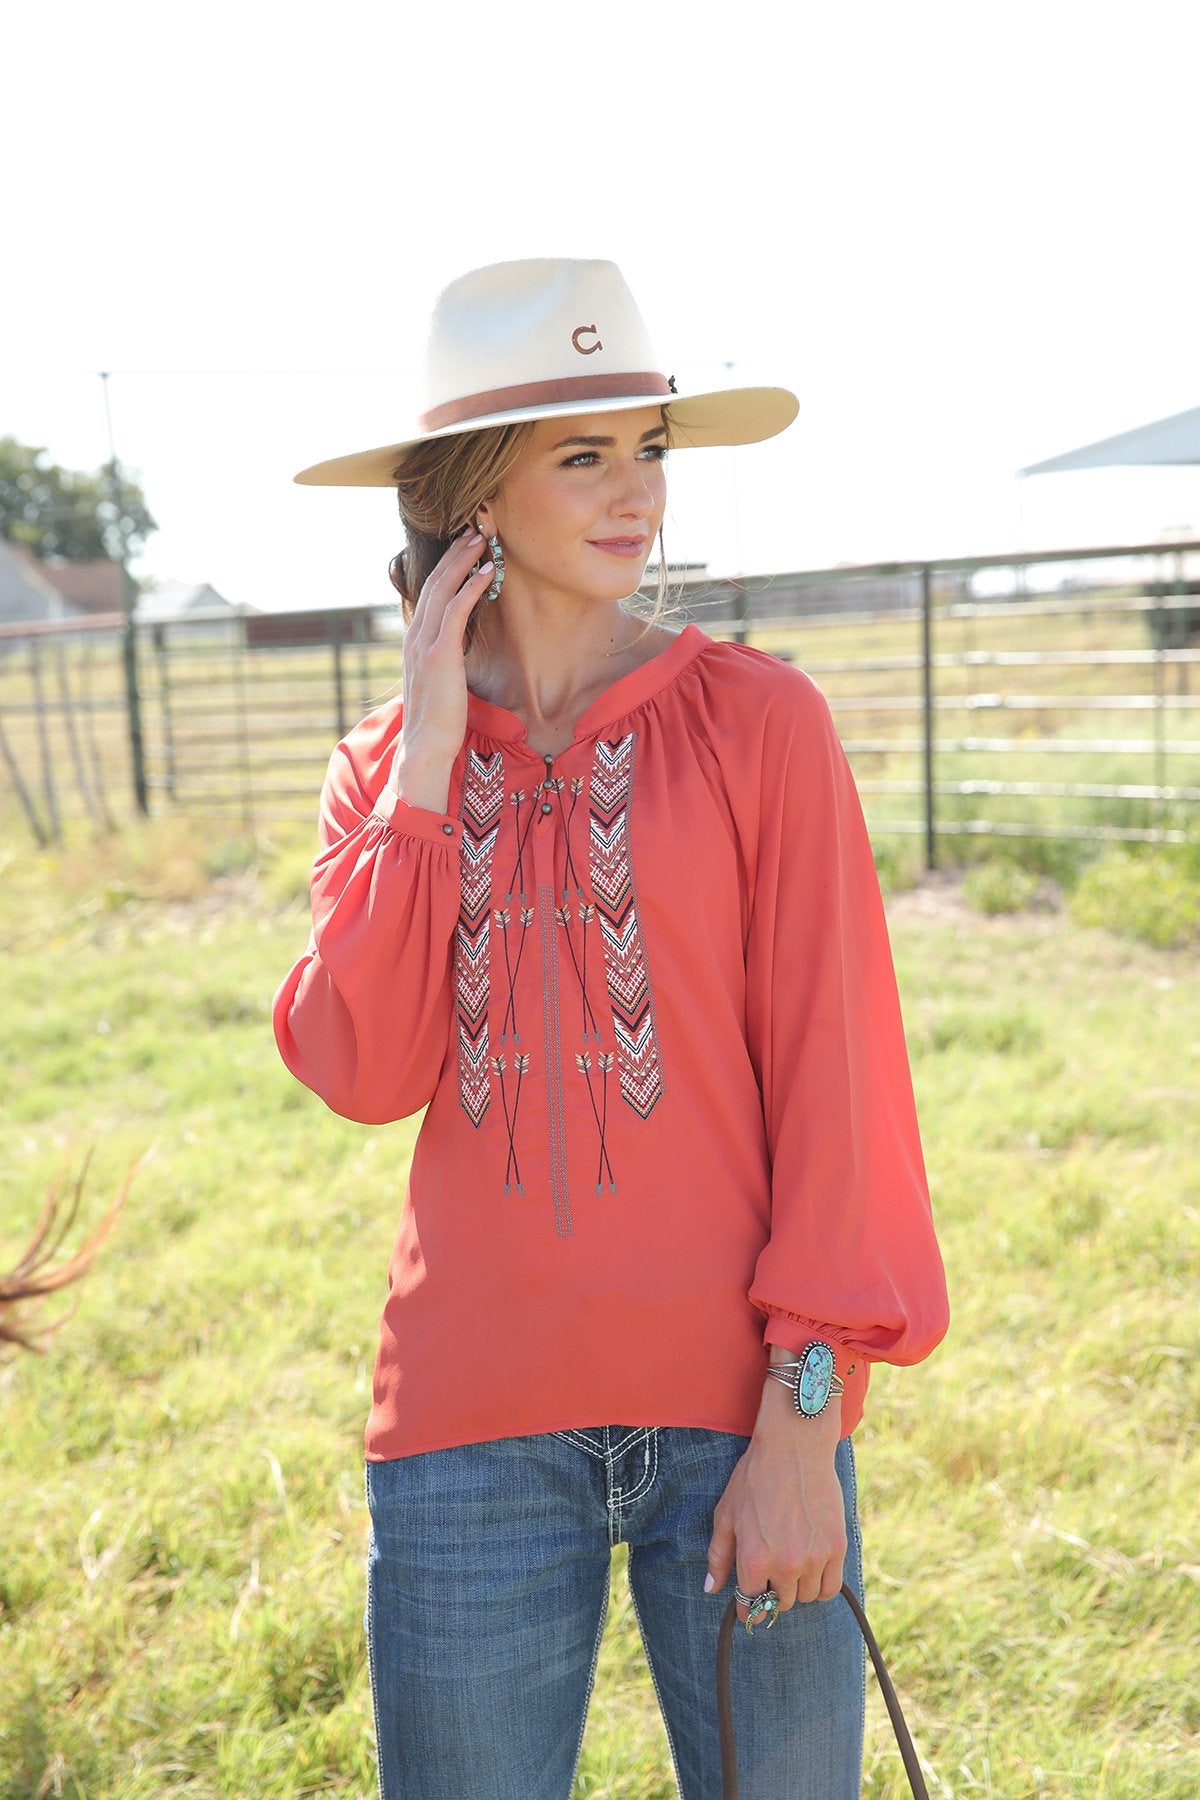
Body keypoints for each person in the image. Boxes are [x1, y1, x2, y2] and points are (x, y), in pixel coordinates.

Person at [273, 258, 949, 1800]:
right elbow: (367, 1071)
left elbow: (839, 1088)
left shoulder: (763, 724)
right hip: (465, 1439)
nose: (638, 489)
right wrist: (430, 759)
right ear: (473, 496)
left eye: (648, 446)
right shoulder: (381, 767)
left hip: (741, 1424)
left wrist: (804, 1431)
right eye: (583, 455)